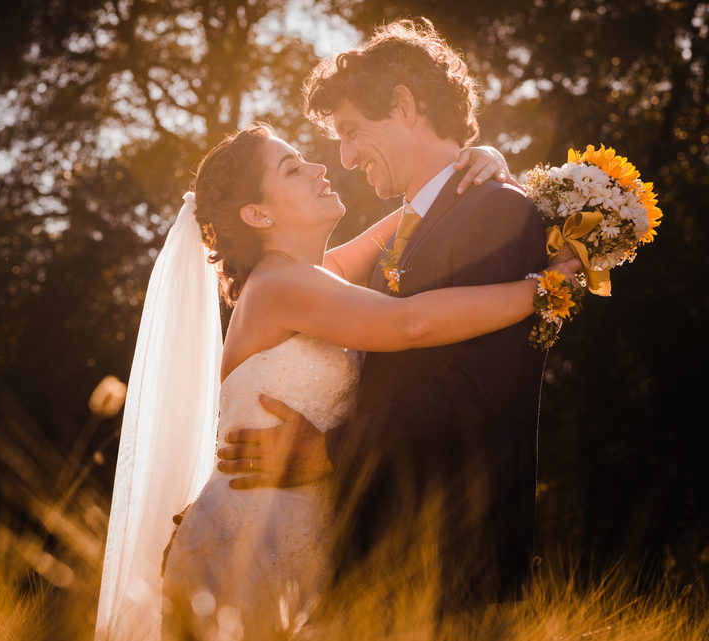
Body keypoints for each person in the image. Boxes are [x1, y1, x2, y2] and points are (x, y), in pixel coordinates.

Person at [95, 125, 579, 638]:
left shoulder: (309, 276)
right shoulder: (282, 286)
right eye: (292, 168)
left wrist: (472, 165)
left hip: (300, 539)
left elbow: (414, 216)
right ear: (258, 215)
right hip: (247, 543)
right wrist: (546, 289)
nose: (320, 167)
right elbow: (410, 323)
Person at [217, 18, 551, 619]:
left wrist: (332, 453)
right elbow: (409, 325)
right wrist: (545, 289)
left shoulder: (494, 211)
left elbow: (475, 391)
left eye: (349, 131)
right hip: (354, 555)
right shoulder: (305, 277)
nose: (339, 158)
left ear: (402, 104)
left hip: (453, 560)